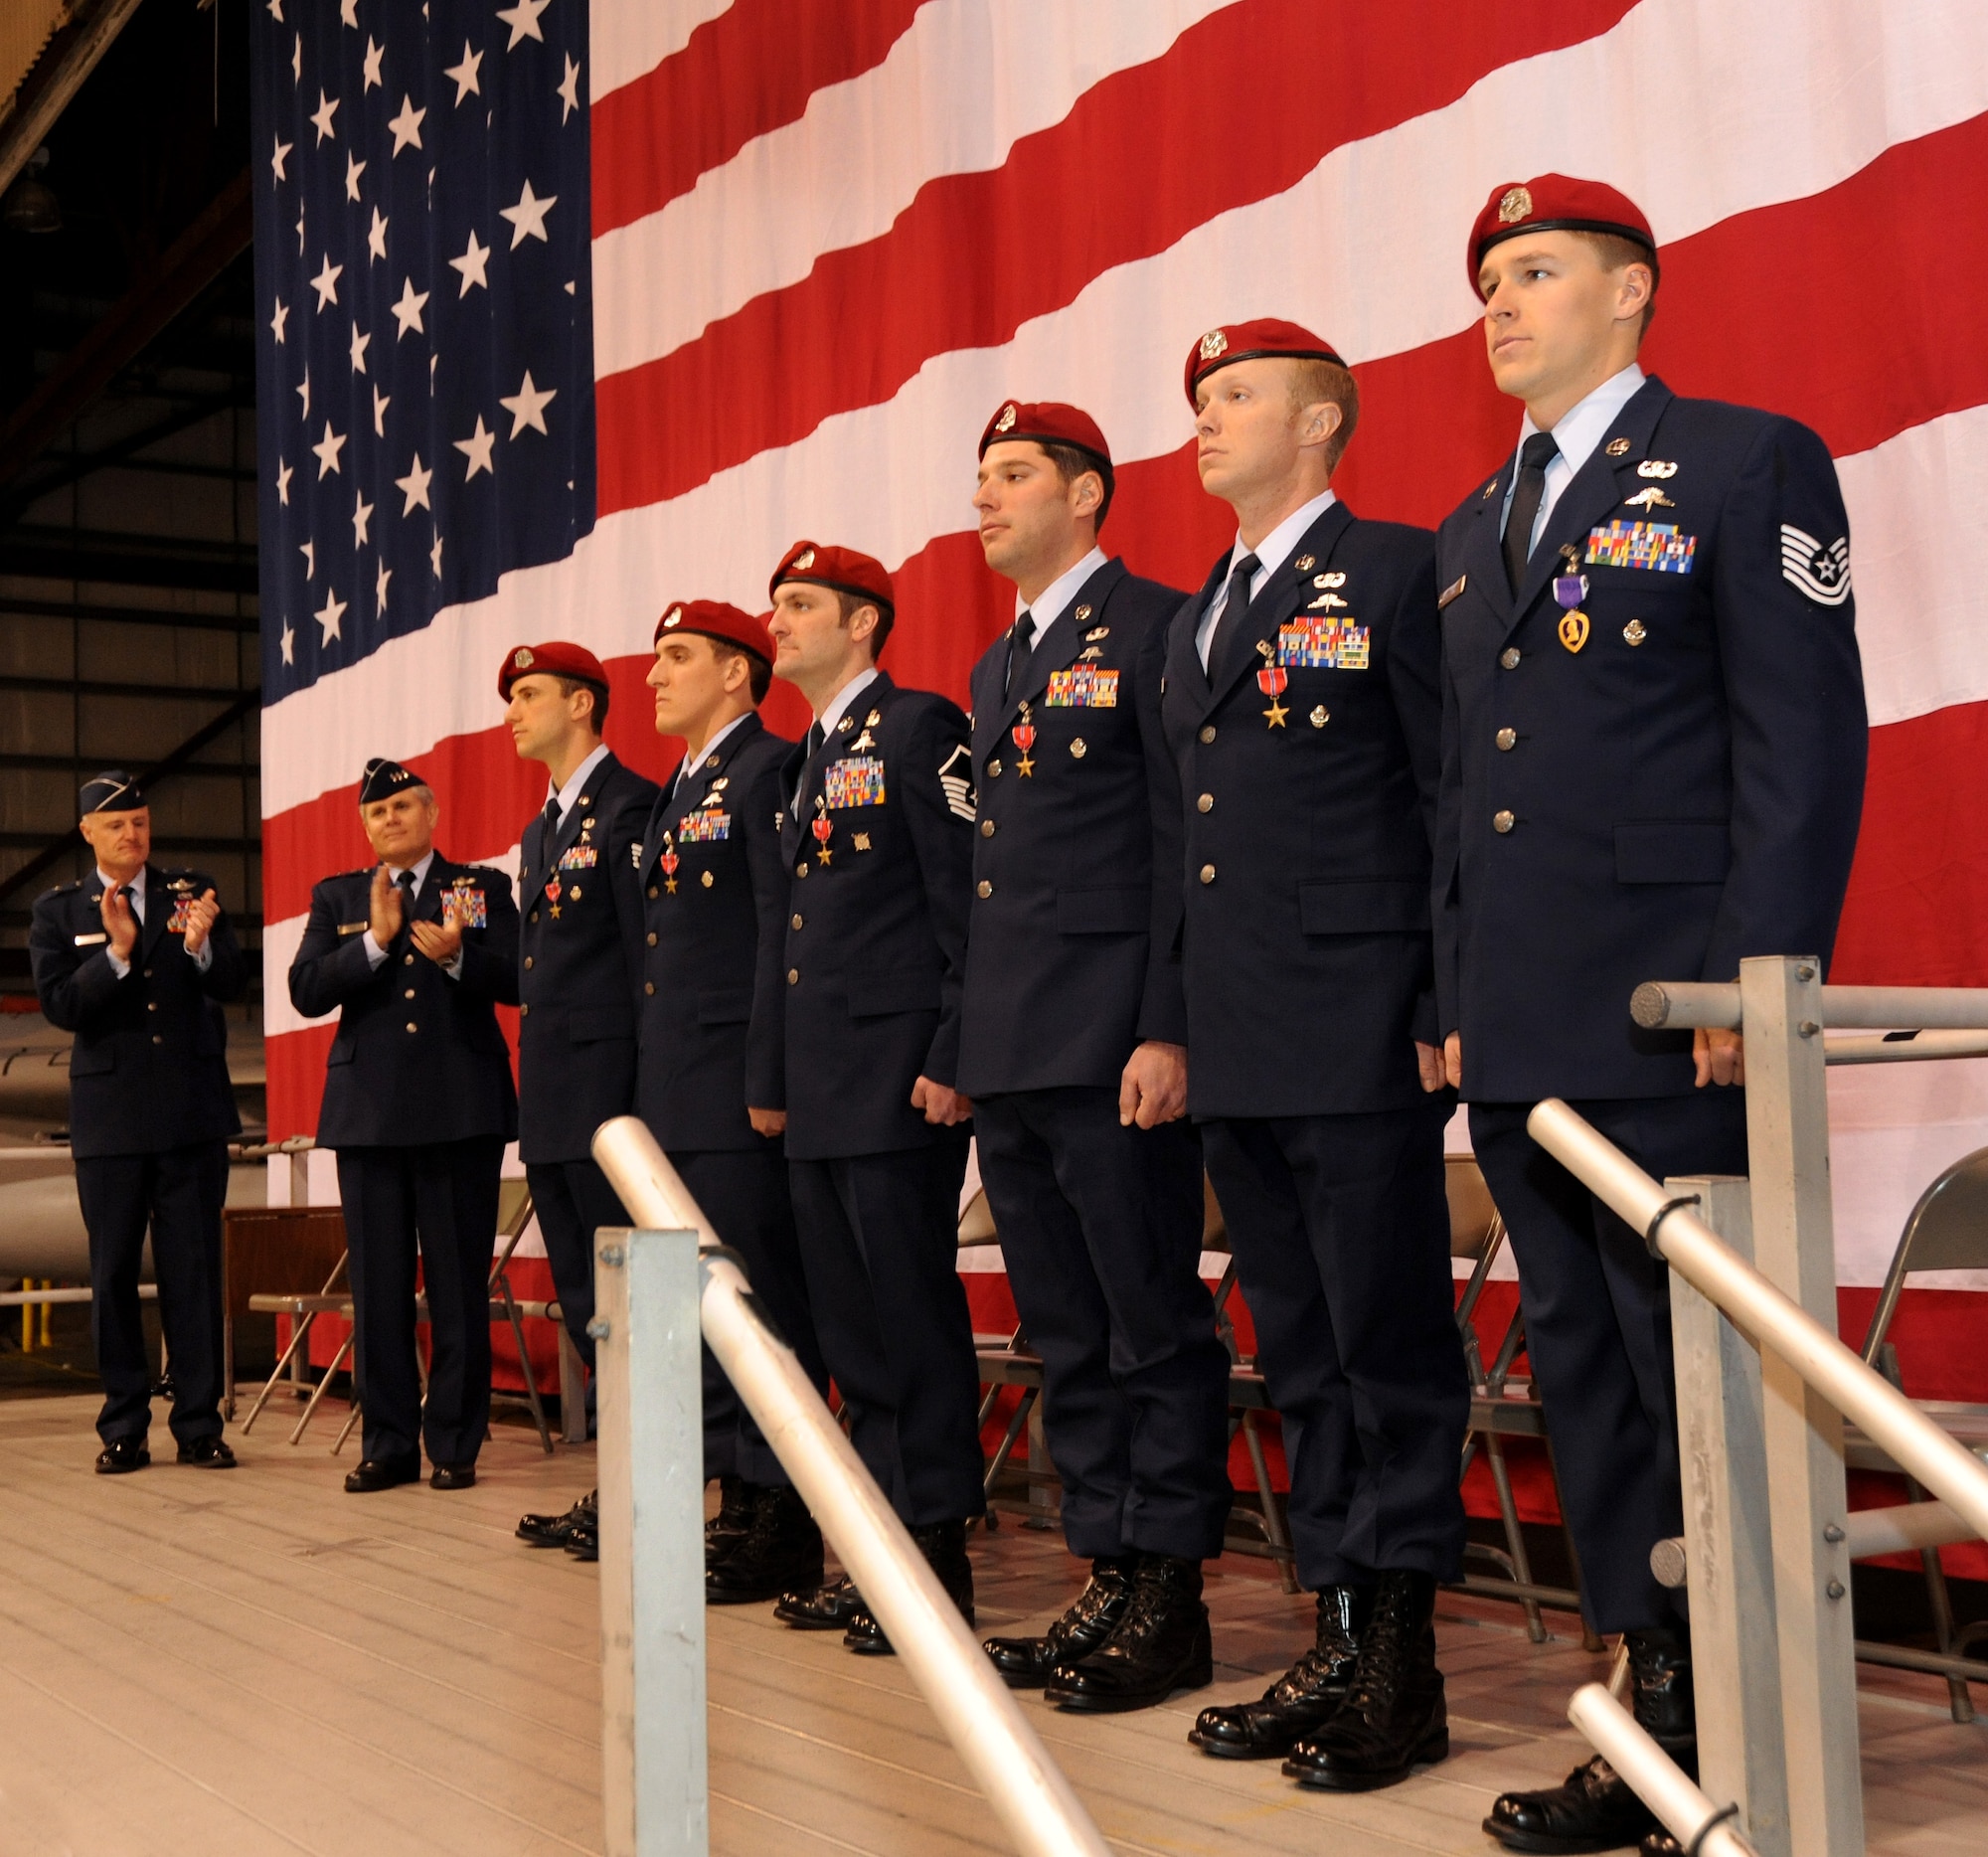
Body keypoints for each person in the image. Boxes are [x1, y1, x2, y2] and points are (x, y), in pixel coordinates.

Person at [1435, 178, 1866, 1856]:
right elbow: (1467, 788)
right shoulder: (1479, 525)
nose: (1502, 304)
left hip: (1675, 1004)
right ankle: (1656, 1701)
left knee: (1702, 1367)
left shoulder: (1746, 460)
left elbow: (1802, 737)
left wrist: (1756, 977)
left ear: (1634, 293)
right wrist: (1458, 995)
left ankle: (1755, 1717)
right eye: (1488, 280)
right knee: (1590, 1377)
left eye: (1537, 272)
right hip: (1525, 1021)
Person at [1161, 321, 1469, 1791]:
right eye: (1200, 402)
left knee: (1385, 1344)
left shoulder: (1398, 569)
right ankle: (1339, 1626)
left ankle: (1402, 1658)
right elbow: (1182, 849)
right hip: (1236, 1031)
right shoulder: (1197, 616)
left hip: (1358, 1019)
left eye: (1236, 398)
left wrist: (1436, 1002)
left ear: (1323, 419)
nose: (1206, 422)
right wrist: (1167, 1019)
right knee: (1296, 1350)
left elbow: (1444, 795)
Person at [958, 400, 1233, 1711]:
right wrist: (968, 1044)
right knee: (1066, 1333)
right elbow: (992, 877)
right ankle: (1109, 1569)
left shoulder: (1157, 625)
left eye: (1014, 476)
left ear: (1086, 494)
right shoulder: (997, 663)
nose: (988, 500)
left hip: (1113, 1040)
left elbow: (1182, 840)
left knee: (1149, 1325)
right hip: (1017, 1048)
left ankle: (1171, 1590)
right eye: (982, 479)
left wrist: (1166, 1022)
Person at [759, 540, 985, 1654]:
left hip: (896, 1078)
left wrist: (952, 1048)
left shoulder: (916, 725)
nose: (778, 623)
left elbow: (960, 902)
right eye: (775, 606)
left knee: (908, 1318)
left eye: (799, 604)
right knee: (852, 1330)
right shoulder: (810, 754)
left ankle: (934, 1547)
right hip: (820, 1085)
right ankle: (883, 1547)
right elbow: (795, 936)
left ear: (862, 622)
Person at [636, 599, 831, 1602]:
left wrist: (767, 1076)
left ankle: (783, 1513)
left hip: (734, 1088)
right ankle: (738, 1500)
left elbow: (774, 933)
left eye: (677, 657)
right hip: (675, 1091)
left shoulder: (767, 768)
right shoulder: (683, 784)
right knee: (708, 1310)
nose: (654, 675)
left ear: (736, 674)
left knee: (760, 1307)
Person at [286, 759, 521, 1492]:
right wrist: (376, 944)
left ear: (432, 814)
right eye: (377, 812)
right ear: (364, 826)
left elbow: (521, 975)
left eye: (403, 807)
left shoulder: (480, 889)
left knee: (456, 1287)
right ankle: (387, 1444)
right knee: (379, 1291)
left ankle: (454, 1445)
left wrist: (459, 960)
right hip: (370, 1119)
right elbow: (304, 991)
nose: (390, 819)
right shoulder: (339, 897)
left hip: (459, 1113)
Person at [29, 771, 246, 1471]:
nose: (133, 835)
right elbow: (61, 1005)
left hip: (190, 1114)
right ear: (87, 831)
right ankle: (123, 1425)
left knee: (194, 1273)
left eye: (141, 823)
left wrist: (202, 948)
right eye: (117, 825)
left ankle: (199, 1424)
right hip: (112, 1121)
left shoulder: (192, 892)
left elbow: (232, 981)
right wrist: (119, 954)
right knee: (114, 1273)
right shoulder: (59, 913)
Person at [502, 642, 659, 1562]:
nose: (515, 711)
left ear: (583, 703)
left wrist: (640, 1104)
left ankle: (652, 1490)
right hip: (555, 1098)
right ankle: (620, 1482)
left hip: (610, 1101)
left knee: (629, 1304)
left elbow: (643, 962)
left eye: (531, 695)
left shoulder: (628, 806)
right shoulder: (542, 829)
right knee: (585, 1303)